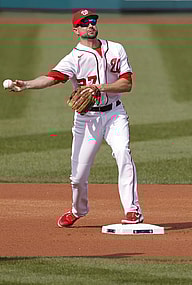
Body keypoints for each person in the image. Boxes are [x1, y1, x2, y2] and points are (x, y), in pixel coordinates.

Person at [7, 9, 143, 227]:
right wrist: (27, 85)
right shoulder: (74, 58)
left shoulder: (116, 48)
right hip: (87, 120)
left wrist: (100, 87)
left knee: (122, 152)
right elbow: (52, 78)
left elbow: (126, 84)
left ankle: (132, 210)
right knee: (78, 176)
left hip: (114, 114)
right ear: (76, 30)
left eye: (92, 21)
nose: (90, 25)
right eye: (85, 22)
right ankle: (78, 210)